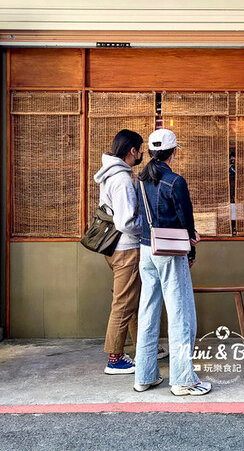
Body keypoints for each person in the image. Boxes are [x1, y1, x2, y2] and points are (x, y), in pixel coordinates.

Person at [133, 129, 210, 397]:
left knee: (148, 311)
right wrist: (191, 248)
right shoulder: (175, 181)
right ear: (174, 152)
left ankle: (144, 376)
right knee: (181, 315)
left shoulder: (141, 179)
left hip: (146, 249)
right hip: (170, 251)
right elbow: (185, 218)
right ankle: (182, 380)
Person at [94, 129, 151, 375]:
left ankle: (143, 347)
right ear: (132, 151)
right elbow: (126, 222)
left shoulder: (112, 175)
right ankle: (115, 358)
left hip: (117, 247)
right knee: (124, 303)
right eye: (140, 151)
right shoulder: (122, 179)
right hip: (126, 248)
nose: (141, 155)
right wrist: (147, 228)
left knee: (132, 301)